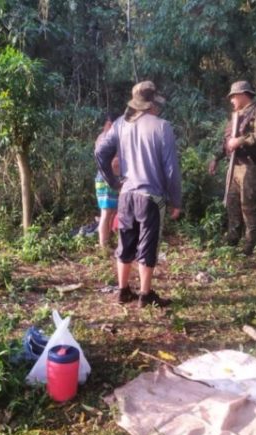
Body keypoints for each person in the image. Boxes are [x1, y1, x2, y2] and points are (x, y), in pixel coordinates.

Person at [95, 81, 182, 308]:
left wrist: (112, 181)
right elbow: (171, 168)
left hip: (126, 195)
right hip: (150, 196)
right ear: (151, 104)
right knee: (147, 244)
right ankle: (145, 294)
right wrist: (176, 200)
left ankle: (123, 290)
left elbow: (100, 152)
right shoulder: (162, 127)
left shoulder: (120, 125)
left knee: (125, 242)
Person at [209, 80, 256, 256]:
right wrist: (216, 157)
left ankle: (250, 244)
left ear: (243, 94)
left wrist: (241, 141)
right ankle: (233, 239)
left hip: (249, 165)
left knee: (247, 205)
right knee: (231, 202)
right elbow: (227, 140)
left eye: (233, 96)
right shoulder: (236, 115)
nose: (231, 100)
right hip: (234, 165)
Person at [94, 113, 120, 250]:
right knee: (106, 212)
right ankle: (103, 245)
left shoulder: (103, 137)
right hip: (107, 180)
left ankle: (107, 242)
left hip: (108, 179)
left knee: (112, 212)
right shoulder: (107, 138)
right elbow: (114, 163)